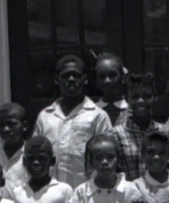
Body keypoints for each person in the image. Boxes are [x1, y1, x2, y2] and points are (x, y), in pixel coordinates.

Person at [34, 52, 114, 188]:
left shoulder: (98, 116)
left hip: (86, 193)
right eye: (65, 75)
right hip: (51, 193)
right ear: (56, 79)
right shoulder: (45, 117)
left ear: (85, 79)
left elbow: (107, 156)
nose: (71, 79)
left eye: (76, 75)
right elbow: (36, 155)